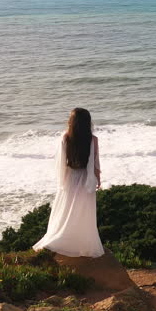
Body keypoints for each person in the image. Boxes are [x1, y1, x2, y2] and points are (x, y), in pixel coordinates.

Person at [33, 108, 105, 257]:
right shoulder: (93, 139)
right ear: (88, 122)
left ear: (71, 122)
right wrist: (97, 179)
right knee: (83, 211)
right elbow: (96, 162)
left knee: (66, 209)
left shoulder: (66, 137)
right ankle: (80, 244)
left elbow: (61, 162)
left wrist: (62, 181)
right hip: (86, 178)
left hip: (71, 177)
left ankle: (61, 239)